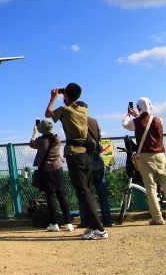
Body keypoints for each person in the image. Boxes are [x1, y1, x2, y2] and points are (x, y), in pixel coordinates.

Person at [45, 83, 108, 240]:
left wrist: (53, 98)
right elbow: (77, 101)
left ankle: (99, 229)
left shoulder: (65, 110)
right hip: (86, 154)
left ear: (66, 96)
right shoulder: (83, 109)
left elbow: (48, 114)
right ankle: (92, 226)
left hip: (75, 155)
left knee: (83, 191)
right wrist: (65, 94)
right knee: (86, 189)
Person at [122, 97, 166, 225]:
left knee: (150, 187)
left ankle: (158, 218)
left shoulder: (136, 122)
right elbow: (147, 122)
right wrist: (138, 114)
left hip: (145, 156)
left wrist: (128, 114)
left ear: (138, 108)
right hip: (160, 155)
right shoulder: (159, 120)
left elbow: (126, 124)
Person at [30, 119, 73, 232]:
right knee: (61, 196)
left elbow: (32, 143)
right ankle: (68, 223)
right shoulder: (57, 139)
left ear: (41, 130)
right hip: (58, 169)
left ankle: (54, 223)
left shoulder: (40, 141)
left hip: (45, 171)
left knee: (50, 197)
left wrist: (34, 132)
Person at [77, 101, 113, 228]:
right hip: (97, 157)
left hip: (84, 159)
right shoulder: (94, 121)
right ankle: (108, 219)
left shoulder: (77, 121)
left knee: (84, 192)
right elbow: (98, 136)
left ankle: (86, 221)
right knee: (102, 192)